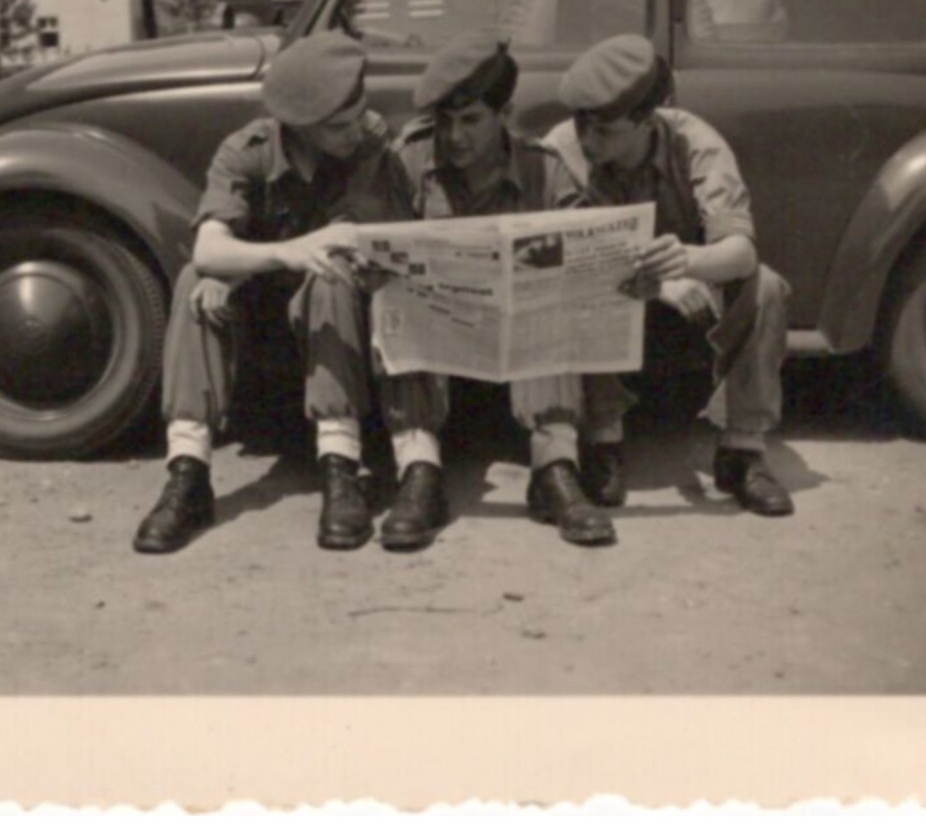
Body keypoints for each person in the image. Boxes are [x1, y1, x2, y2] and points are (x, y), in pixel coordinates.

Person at [133, 32, 409, 554]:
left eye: (358, 116)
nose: (356, 132)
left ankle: (340, 468)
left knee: (329, 275)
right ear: (299, 127)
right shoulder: (247, 151)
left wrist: (245, 263)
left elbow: (353, 242)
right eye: (338, 127)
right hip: (261, 334)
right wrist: (263, 261)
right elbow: (209, 252)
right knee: (197, 283)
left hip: (341, 331)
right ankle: (188, 475)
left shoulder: (369, 144)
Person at [376, 32, 616, 551]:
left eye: (471, 121)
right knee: (394, 292)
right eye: (444, 121)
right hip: (436, 353)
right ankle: (419, 472)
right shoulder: (410, 161)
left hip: (521, 356)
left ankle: (554, 469)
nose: (454, 136)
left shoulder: (543, 169)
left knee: (550, 287)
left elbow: (588, 258)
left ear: (505, 114)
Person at [544, 33, 795, 517]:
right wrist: (658, 284)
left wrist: (688, 262)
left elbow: (741, 253)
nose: (587, 140)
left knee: (765, 286)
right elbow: (557, 256)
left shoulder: (695, 143)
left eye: (603, 129)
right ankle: (603, 440)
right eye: (580, 122)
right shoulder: (561, 149)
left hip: (691, 318)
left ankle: (743, 451)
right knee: (581, 283)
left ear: (646, 119)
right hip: (611, 314)